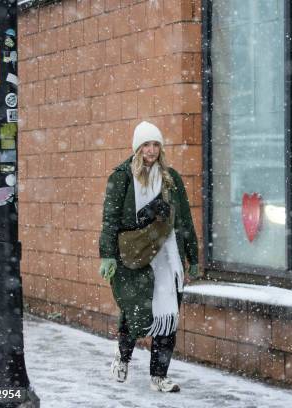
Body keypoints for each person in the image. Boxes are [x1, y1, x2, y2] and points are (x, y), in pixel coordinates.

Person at [98, 121, 200, 392]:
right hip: (133, 254)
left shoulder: (171, 178)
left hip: (167, 257)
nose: (151, 150)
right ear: (137, 148)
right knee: (136, 310)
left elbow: (185, 221)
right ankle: (123, 358)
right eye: (146, 145)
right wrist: (107, 255)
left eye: (156, 144)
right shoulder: (121, 177)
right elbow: (109, 220)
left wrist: (194, 257)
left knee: (167, 314)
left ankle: (159, 376)